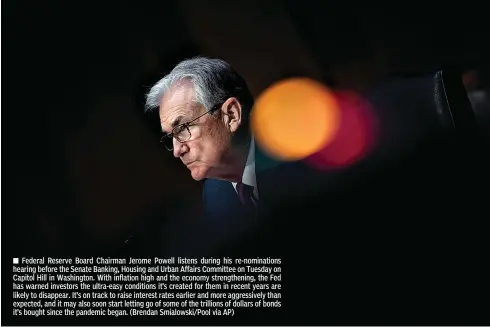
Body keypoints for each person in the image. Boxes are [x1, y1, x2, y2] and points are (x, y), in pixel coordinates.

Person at [144, 57, 271, 247]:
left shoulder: (293, 157)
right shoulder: (214, 194)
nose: (177, 151)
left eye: (183, 128)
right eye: (170, 136)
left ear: (231, 115)